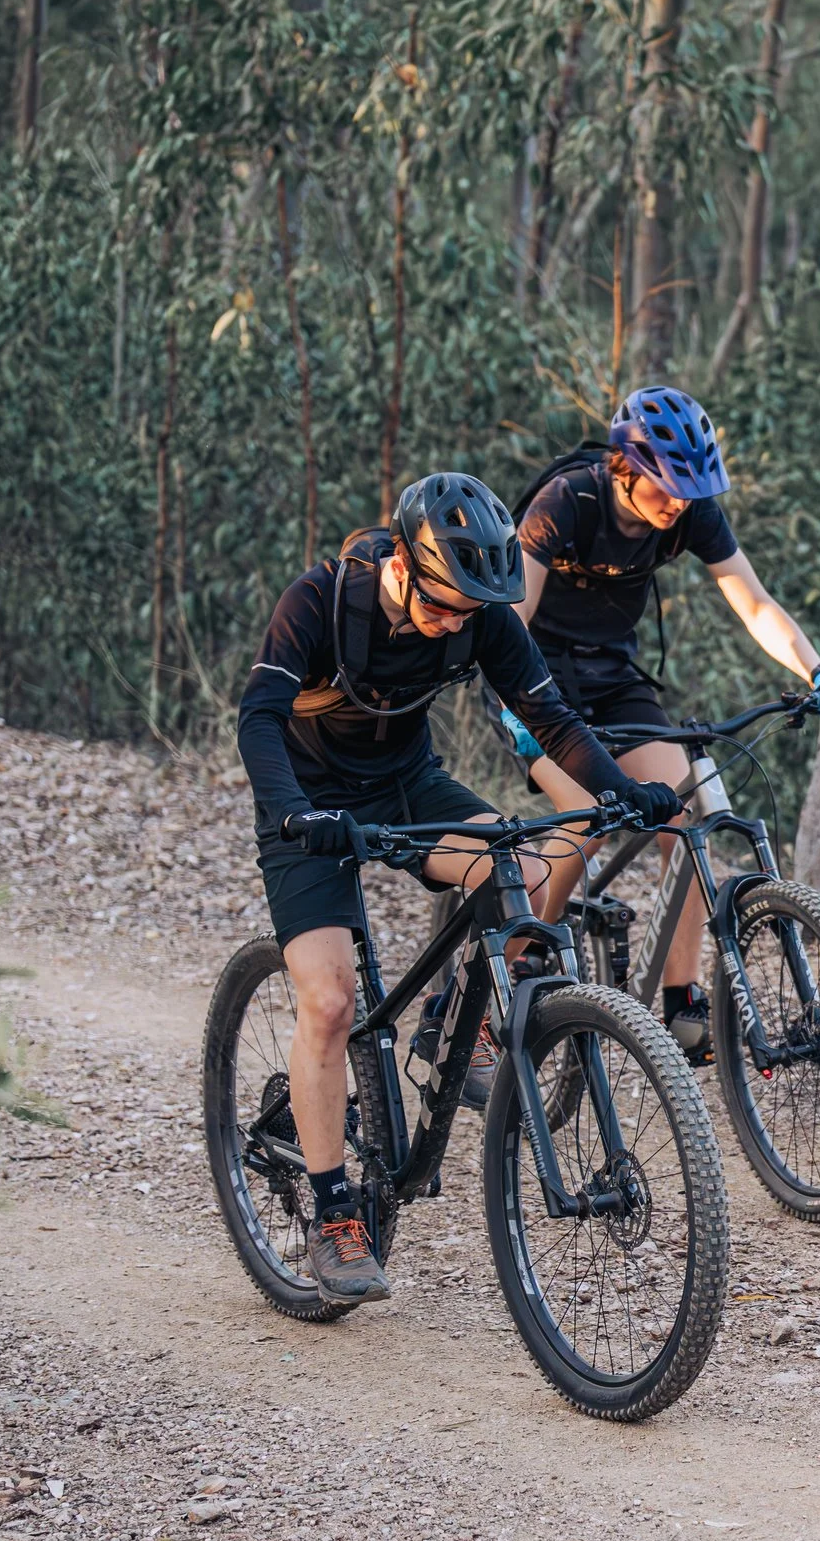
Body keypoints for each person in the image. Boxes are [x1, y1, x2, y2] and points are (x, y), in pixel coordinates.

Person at [238, 473, 683, 1309]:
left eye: (471, 611)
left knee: (519, 864)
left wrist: (623, 788)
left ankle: (459, 1020)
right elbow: (259, 715)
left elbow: (552, 719)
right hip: (309, 806)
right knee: (331, 1001)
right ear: (404, 564)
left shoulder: (477, 614)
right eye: (444, 606)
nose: (457, 623)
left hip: (407, 784)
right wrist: (294, 812)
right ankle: (336, 1216)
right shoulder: (322, 601)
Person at [502, 386, 820, 1056]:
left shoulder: (690, 510)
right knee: (582, 813)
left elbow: (752, 600)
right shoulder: (567, 502)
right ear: (623, 468)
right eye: (667, 489)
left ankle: (681, 1000)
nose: (679, 505)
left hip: (614, 678)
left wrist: (815, 669)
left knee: (686, 807)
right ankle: (519, 963)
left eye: (690, 491)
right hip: (536, 683)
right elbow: (509, 621)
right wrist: (514, 706)